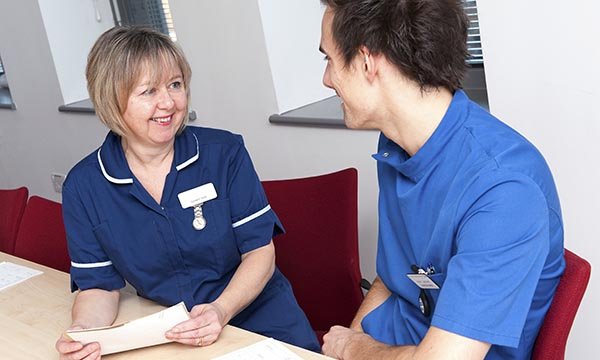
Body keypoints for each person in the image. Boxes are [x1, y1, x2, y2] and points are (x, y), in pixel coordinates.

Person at [318, 1, 565, 359]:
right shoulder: (396, 143)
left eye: (328, 59)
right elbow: (393, 277)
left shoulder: (504, 188)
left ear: (367, 61)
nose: (326, 79)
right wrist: (345, 347)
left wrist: (354, 347)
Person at [55, 26, 319, 359]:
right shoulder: (84, 186)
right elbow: (98, 285)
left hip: (260, 323)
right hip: (175, 338)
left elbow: (260, 252)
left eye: (175, 85)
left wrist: (220, 311)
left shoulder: (224, 153)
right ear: (111, 99)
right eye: (148, 91)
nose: (168, 102)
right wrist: (84, 333)